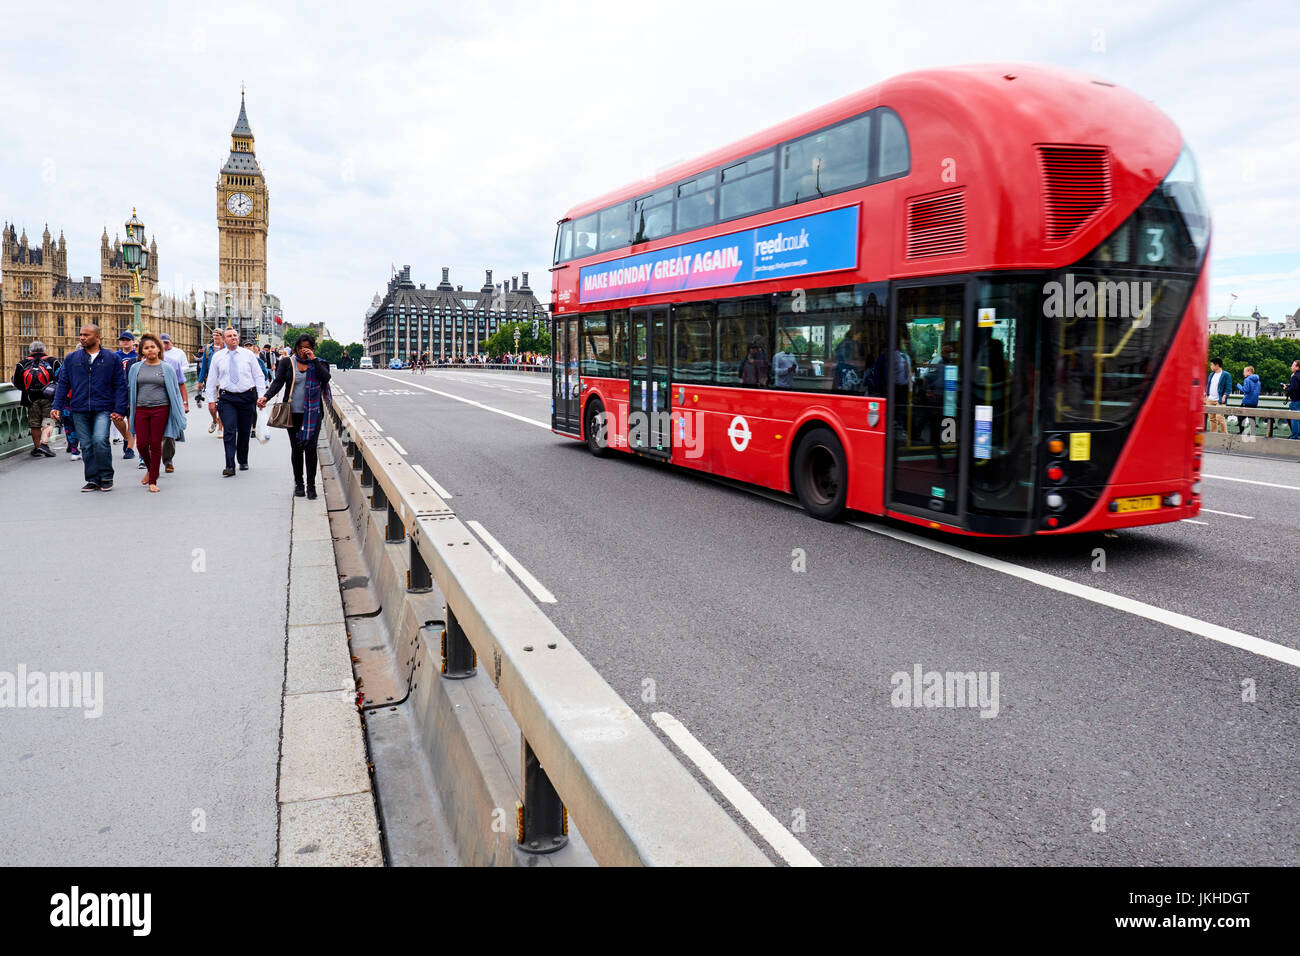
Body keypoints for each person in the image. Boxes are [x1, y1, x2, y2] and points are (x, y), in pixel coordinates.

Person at [50, 323, 128, 491]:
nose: (82, 338)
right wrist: (56, 405)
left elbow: (121, 385)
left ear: (97, 337)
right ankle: (92, 479)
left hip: (103, 407)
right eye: (81, 334)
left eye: (86, 335)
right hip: (79, 408)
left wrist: (120, 409)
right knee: (86, 445)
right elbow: (63, 384)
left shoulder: (111, 358)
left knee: (100, 441)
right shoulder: (72, 358)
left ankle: (106, 476)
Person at [259, 333, 332, 499]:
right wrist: (266, 396)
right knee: (297, 449)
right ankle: (299, 484)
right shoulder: (287, 362)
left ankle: (311, 486)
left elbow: (326, 378)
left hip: (313, 415)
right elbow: (278, 382)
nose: (303, 351)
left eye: (307, 348)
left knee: (311, 449)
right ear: (296, 348)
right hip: (292, 413)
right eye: (301, 348)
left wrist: (313, 360)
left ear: (312, 348)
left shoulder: (319, 363)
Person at [128, 333, 187, 492]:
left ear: (159, 349)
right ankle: (151, 469)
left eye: (153, 347)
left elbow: (175, 391)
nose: (150, 350)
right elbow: (131, 389)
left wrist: (182, 408)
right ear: (142, 351)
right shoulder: (135, 368)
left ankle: (153, 480)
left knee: (155, 443)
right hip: (140, 408)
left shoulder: (166, 368)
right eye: (146, 348)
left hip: (161, 409)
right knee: (141, 444)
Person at [205, 327, 267, 476]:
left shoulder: (248, 355)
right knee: (230, 430)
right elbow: (212, 379)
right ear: (224, 340)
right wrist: (211, 400)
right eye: (229, 336)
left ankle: (243, 459)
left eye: (235, 335)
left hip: (247, 397)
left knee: (245, 431)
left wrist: (261, 395)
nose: (233, 338)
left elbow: (258, 376)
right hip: (227, 398)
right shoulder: (218, 357)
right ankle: (229, 465)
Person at [12, 341, 58, 458]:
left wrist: (27, 390)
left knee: (35, 424)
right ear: (44, 349)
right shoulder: (53, 361)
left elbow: (16, 382)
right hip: (50, 397)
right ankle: (44, 444)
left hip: (30, 397)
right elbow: (62, 378)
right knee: (49, 420)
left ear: (30, 350)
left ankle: (37, 448)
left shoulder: (23, 363)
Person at [158, 334, 190, 473]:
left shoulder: (173, 361)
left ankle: (167, 459)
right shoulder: (140, 365)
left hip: (169, 403)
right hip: (148, 404)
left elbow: (181, 384)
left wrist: (185, 403)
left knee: (169, 435)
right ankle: (150, 463)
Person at [113, 332, 140, 462]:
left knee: (131, 419)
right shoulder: (115, 356)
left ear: (132, 342)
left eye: (127, 340)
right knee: (115, 418)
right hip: (117, 391)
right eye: (122, 340)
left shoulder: (137, 356)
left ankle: (130, 449)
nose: (125, 342)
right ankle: (126, 437)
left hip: (131, 390)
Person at [196, 329, 224, 435]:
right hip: (211, 380)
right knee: (212, 407)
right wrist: (200, 381)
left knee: (222, 406)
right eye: (214, 335)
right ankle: (214, 420)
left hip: (223, 381)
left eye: (218, 335)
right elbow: (204, 365)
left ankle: (220, 429)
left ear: (222, 336)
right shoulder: (208, 349)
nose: (215, 336)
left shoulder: (226, 348)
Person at [1206, 357, 1231, 434]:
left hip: (1219, 399)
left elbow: (1228, 387)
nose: (1211, 366)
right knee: (1212, 418)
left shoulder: (1226, 375)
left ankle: (1225, 435)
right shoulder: (1211, 374)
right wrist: (1206, 395)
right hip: (1210, 399)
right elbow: (1209, 385)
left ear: (1217, 365)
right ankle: (1214, 434)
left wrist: (1225, 396)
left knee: (1220, 417)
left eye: (1212, 365)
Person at [1236, 365, 1260, 436]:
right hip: (1255, 402)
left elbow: (1246, 390)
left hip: (1246, 401)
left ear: (1249, 372)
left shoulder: (1247, 380)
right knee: (1252, 417)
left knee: (1240, 416)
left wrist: (1239, 386)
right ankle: (1253, 433)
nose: (1243, 373)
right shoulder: (1258, 381)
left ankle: (1242, 432)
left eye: (1244, 372)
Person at [1286, 359, 1300, 439]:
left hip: (1296, 401)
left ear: (1297, 367)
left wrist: (1286, 388)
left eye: (1293, 365)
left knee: (1295, 419)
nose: (1291, 367)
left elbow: (1294, 390)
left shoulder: (1294, 377)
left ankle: (1294, 436)